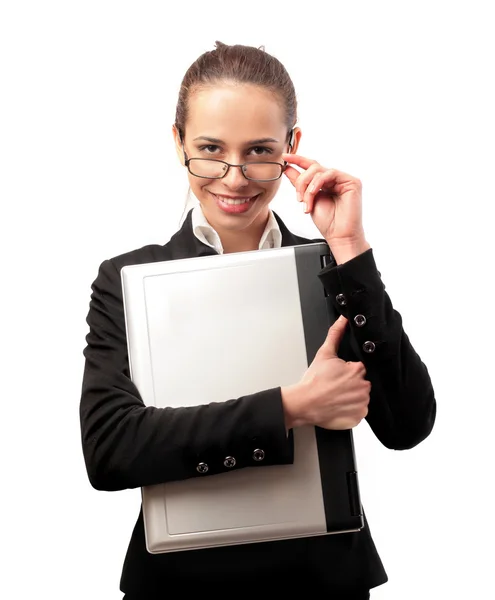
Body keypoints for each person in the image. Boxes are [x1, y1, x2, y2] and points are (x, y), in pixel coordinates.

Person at [80, 41, 436, 598]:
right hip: (178, 584)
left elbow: (408, 424)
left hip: (323, 581)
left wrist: (349, 247)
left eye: (259, 150)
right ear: (178, 144)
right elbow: (109, 450)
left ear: (292, 147)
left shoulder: (333, 270)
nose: (235, 175)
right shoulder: (129, 279)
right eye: (210, 148)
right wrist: (292, 406)